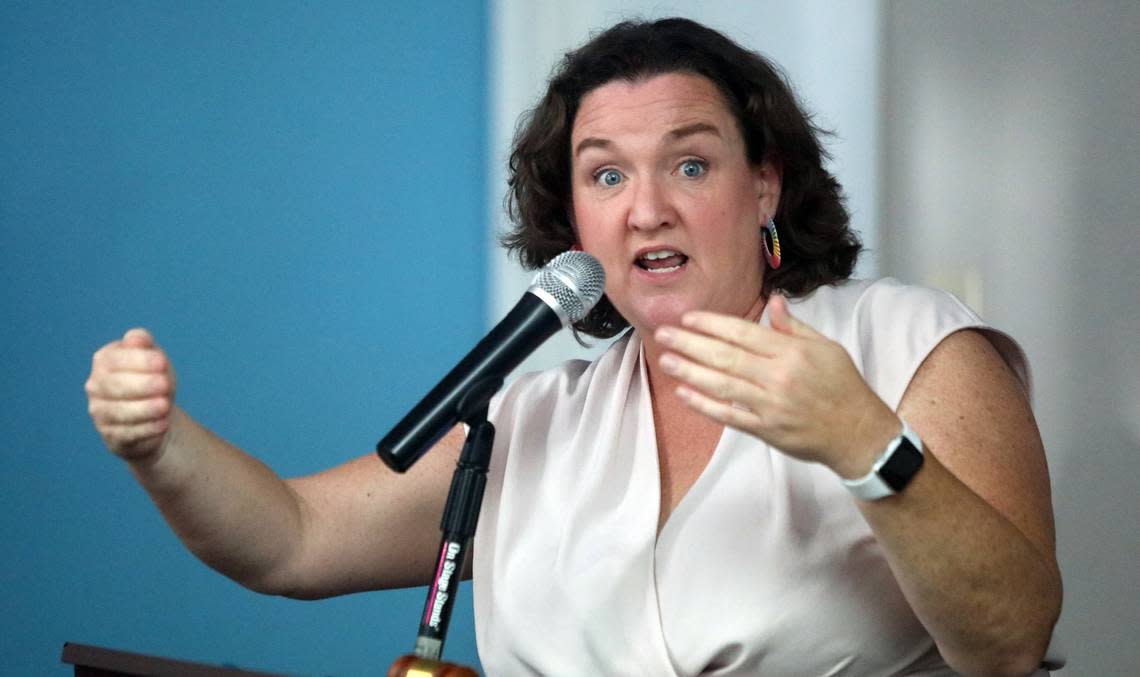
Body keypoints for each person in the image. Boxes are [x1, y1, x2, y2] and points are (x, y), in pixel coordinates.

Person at [85, 17, 1061, 677]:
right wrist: (160, 445)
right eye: (605, 176)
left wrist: (864, 442)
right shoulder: (536, 417)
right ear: (573, 227)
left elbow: (1013, 640)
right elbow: (292, 537)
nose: (647, 208)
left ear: (764, 186)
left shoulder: (910, 342)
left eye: (689, 162)